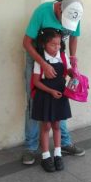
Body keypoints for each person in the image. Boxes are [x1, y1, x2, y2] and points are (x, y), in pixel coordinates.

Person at [22, 0, 85, 165]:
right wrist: (42, 64)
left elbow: (73, 38)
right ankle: (30, 148)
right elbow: (26, 43)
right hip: (37, 58)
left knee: (59, 99)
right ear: (59, 10)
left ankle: (64, 143)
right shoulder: (42, 12)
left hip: (59, 60)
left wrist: (72, 61)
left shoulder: (75, 13)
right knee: (35, 101)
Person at [32, 28, 73, 172]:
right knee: (46, 126)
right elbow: (36, 82)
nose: (57, 48)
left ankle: (58, 154)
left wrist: (75, 72)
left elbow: (69, 71)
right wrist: (50, 91)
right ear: (44, 45)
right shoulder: (41, 60)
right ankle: (45, 156)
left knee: (57, 125)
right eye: (53, 45)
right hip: (45, 95)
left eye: (59, 44)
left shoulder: (62, 56)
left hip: (60, 95)